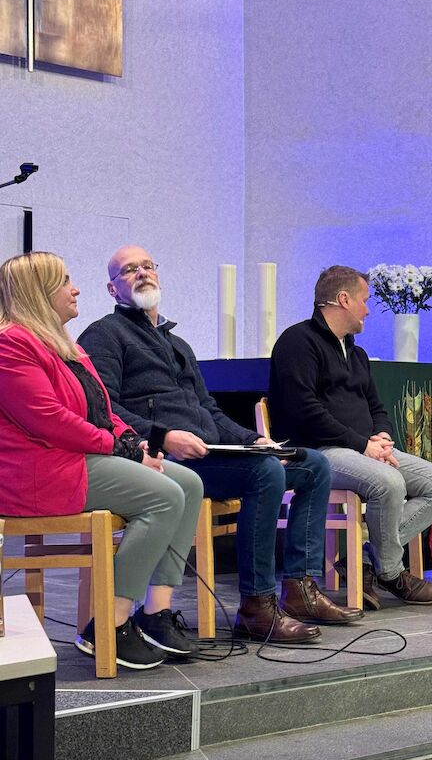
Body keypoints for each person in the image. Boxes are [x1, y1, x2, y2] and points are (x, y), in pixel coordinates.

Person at [78, 245, 361, 644]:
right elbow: (104, 408)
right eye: (128, 270)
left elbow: (209, 409)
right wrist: (163, 437)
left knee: (312, 464)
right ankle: (257, 606)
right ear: (112, 289)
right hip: (162, 461)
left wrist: (253, 439)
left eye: (147, 266)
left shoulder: (178, 344)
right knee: (263, 475)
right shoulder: (104, 335)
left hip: (212, 454)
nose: (141, 273)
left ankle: (300, 588)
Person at [0, 251, 204, 670]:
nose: (75, 289)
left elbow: (105, 409)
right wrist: (122, 449)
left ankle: (156, 614)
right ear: (38, 294)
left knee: (188, 484)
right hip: (43, 471)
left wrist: (136, 445)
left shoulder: (65, 345)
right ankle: (109, 624)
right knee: (164, 495)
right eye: (65, 282)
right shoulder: (11, 343)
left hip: (75, 458)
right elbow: (50, 421)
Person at [268, 265, 432, 608]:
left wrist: (382, 437)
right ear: (343, 299)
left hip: (364, 450)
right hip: (317, 452)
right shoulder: (297, 342)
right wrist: (363, 445)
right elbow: (304, 410)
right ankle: (391, 572)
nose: (369, 309)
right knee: (388, 482)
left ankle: (370, 560)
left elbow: (376, 406)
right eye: (364, 300)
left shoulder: (355, 353)